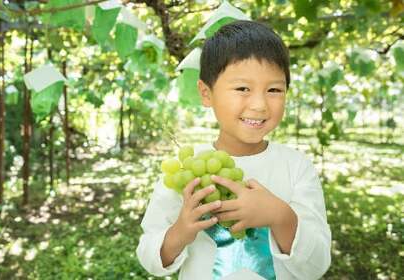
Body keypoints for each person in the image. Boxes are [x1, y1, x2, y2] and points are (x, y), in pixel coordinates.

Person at [136, 20, 331, 280]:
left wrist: (279, 215)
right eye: (242, 89)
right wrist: (181, 231)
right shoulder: (187, 171)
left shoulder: (296, 167)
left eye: (274, 90)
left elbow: (317, 265)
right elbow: (149, 255)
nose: (260, 104)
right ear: (206, 93)